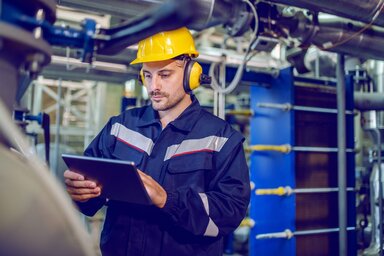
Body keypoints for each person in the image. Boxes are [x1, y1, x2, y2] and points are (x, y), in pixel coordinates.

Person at [64, 27, 250, 256]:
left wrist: (167, 199)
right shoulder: (120, 127)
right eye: (148, 75)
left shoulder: (221, 138)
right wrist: (81, 193)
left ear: (190, 74)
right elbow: (91, 196)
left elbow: (229, 211)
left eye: (164, 75)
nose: (154, 87)